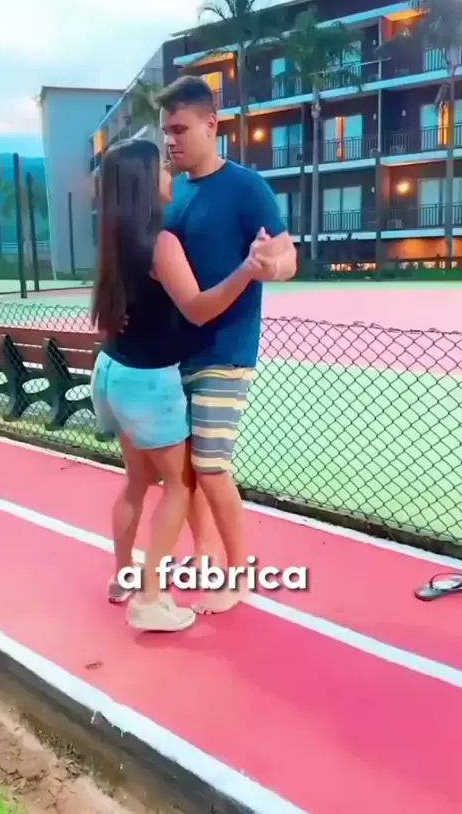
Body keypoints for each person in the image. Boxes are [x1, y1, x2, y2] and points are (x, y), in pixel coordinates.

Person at [90, 137, 277, 632]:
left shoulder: (116, 237)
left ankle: (124, 578)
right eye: (161, 167)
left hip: (113, 371)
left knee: (135, 483)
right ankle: (150, 598)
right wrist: (247, 270)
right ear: (144, 182)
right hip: (147, 383)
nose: (169, 172)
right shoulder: (160, 243)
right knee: (179, 485)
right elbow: (197, 308)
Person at [155, 74, 298, 615]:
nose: (170, 140)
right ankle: (206, 557)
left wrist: (271, 267)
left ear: (211, 124)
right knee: (186, 471)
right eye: (165, 131)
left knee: (211, 467)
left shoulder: (246, 187)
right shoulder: (172, 193)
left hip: (226, 351)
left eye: (179, 129)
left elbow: (286, 256)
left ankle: (238, 575)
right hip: (173, 354)